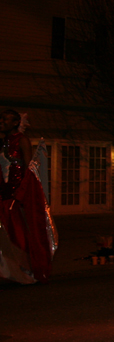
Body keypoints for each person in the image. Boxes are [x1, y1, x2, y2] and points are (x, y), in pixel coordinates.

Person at [0, 109, 56, 284]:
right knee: (5, 234)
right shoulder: (3, 141)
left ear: (16, 122)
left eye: (5, 119)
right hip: (2, 192)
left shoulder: (22, 141)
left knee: (17, 233)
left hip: (16, 194)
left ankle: (25, 270)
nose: (1, 122)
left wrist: (23, 193)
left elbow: (29, 168)